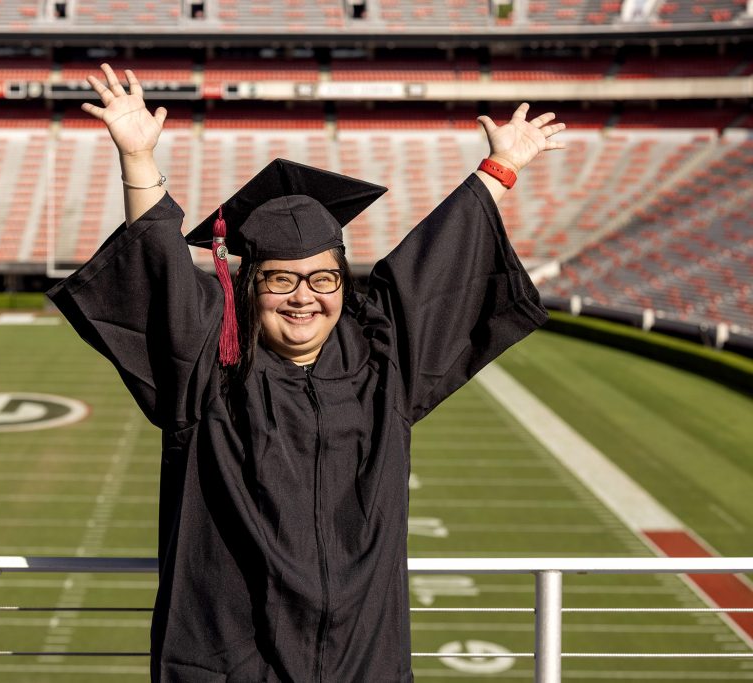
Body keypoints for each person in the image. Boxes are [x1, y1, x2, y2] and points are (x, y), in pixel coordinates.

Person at [48, 64, 565, 682]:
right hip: (232, 658)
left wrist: (500, 171)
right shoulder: (209, 373)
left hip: (361, 657)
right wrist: (138, 162)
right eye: (280, 279)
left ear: (343, 284)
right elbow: (160, 276)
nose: (304, 296)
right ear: (248, 287)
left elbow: (437, 265)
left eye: (323, 279)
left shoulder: (383, 367)